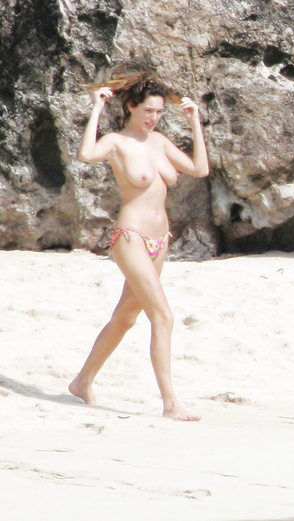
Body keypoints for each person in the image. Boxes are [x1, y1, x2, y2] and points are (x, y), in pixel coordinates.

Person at [69, 71, 209, 421]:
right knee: (163, 315)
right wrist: (96, 109)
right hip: (130, 236)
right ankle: (171, 404)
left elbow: (200, 168)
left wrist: (194, 121)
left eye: (159, 112)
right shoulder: (116, 142)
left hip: (160, 240)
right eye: (148, 111)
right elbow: (87, 154)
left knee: (125, 318)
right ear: (131, 107)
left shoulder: (159, 142)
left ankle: (82, 381)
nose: (153, 118)